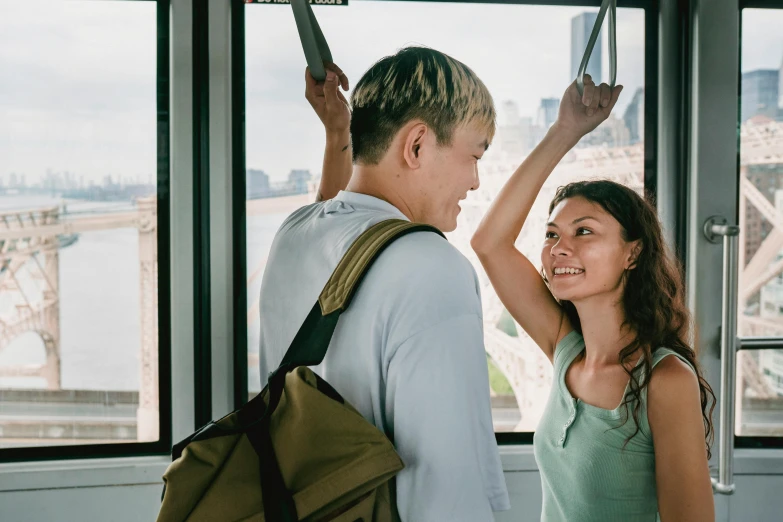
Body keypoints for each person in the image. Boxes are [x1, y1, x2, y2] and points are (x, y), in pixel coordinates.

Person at [257, 47, 510, 521]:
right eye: (473, 156)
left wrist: (337, 135)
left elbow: (339, 219)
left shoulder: (293, 235)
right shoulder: (433, 269)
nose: (475, 182)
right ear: (416, 145)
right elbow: (447, 491)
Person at [470, 75, 717, 521]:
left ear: (633, 252)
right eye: (552, 235)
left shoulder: (665, 382)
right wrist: (564, 131)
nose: (559, 248)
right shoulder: (568, 352)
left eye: (584, 231)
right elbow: (490, 243)